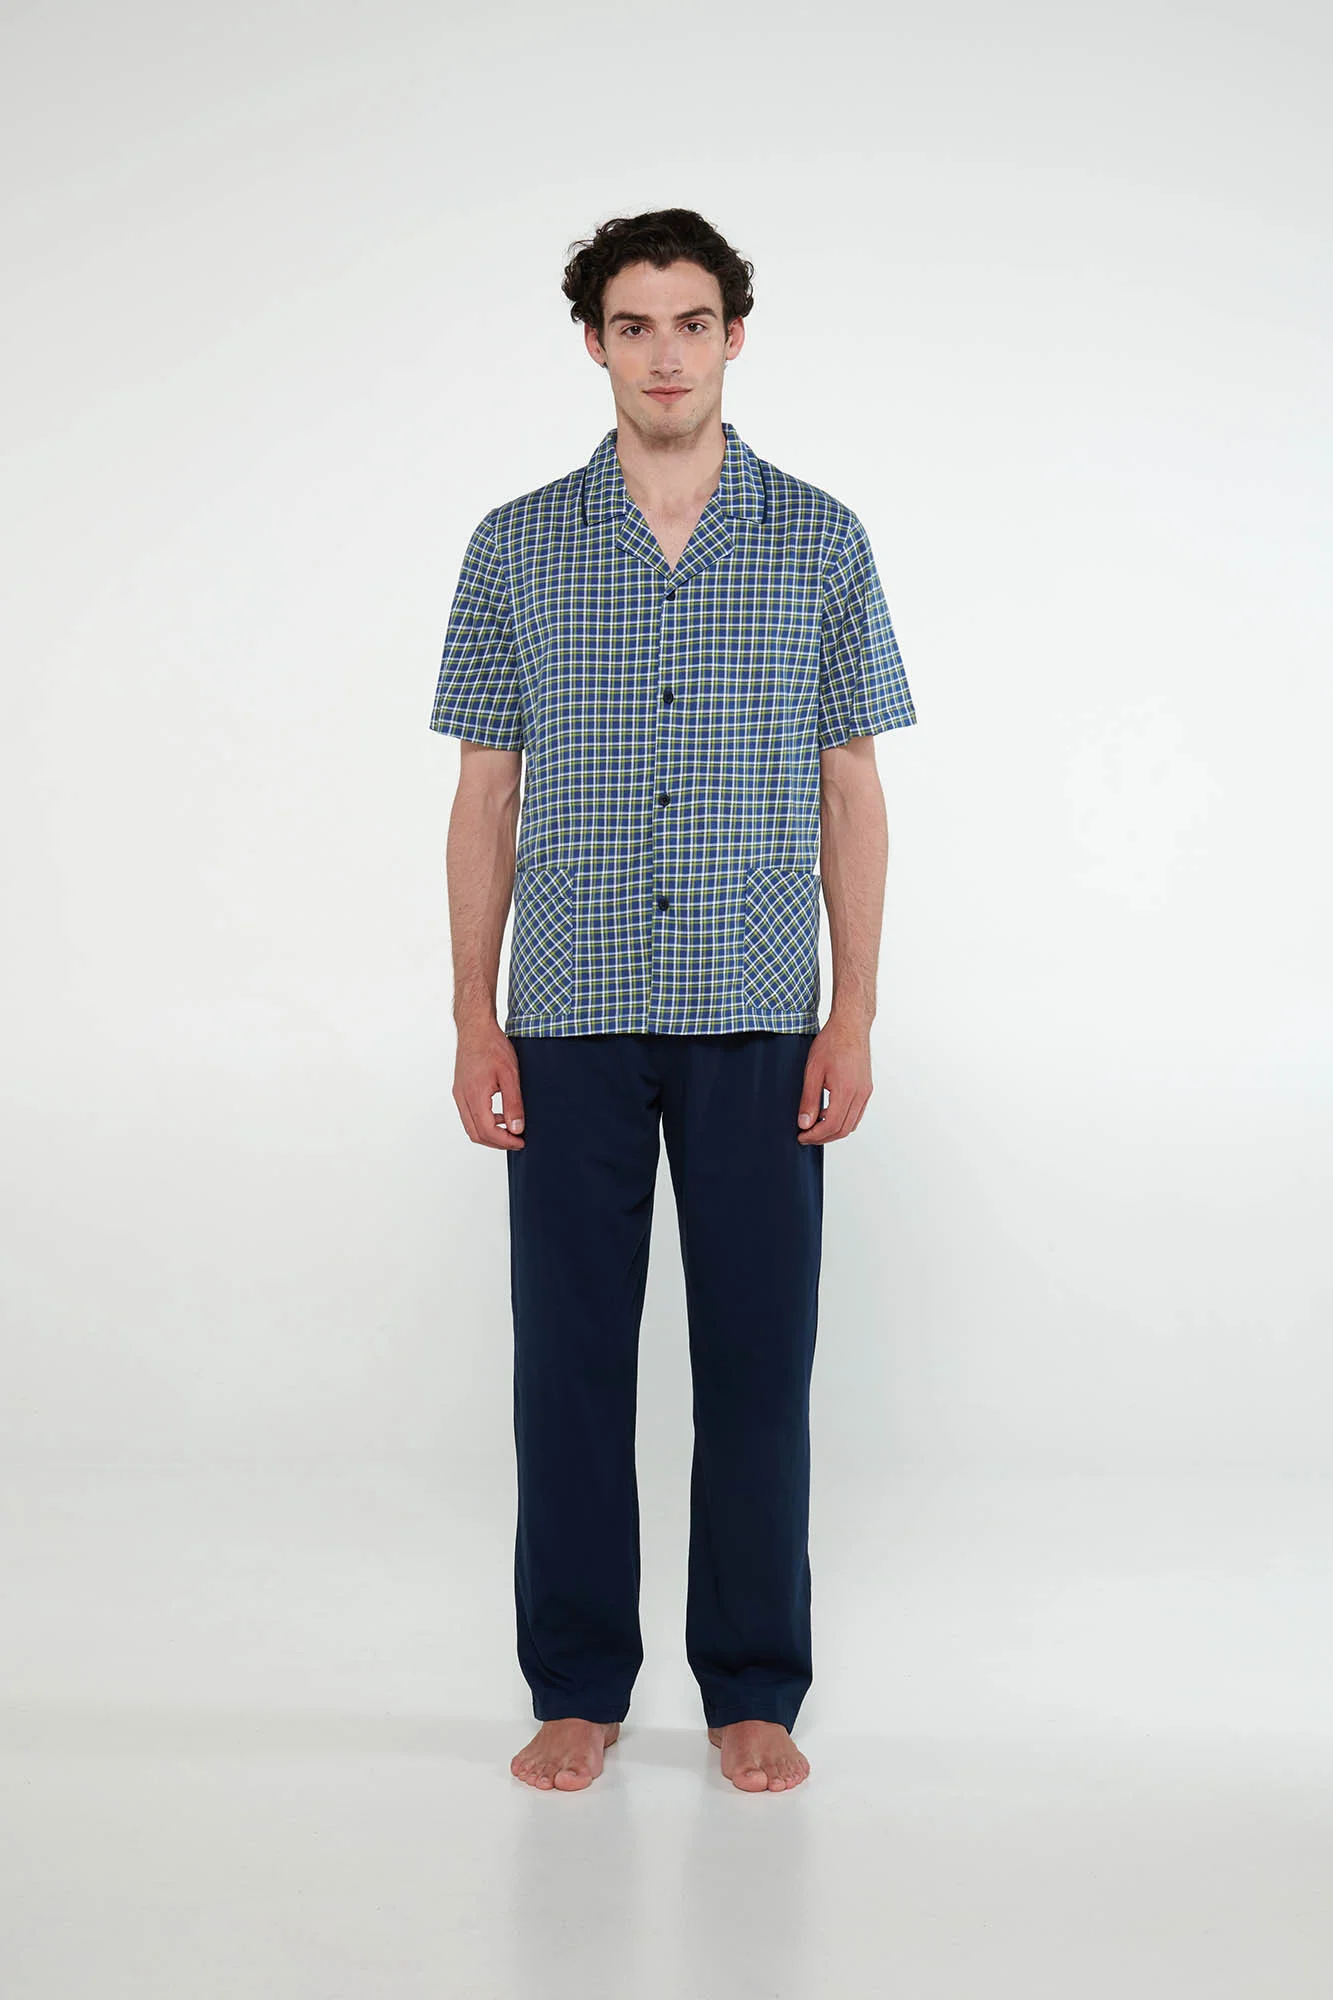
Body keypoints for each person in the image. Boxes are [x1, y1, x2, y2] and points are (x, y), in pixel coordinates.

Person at [429, 208, 917, 1794]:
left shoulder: (821, 540)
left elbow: (851, 787)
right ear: (593, 343)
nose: (664, 353)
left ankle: (752, 1688)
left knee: (757, 1363)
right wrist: (473, 1015)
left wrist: (853, 1014)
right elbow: (484, 795)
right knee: (567, 1366)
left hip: (760, 1005)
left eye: (691, 322)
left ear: (734, 337)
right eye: (633, 325)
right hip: (567, 1009)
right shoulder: (515, 545)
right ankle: (577, 1686)